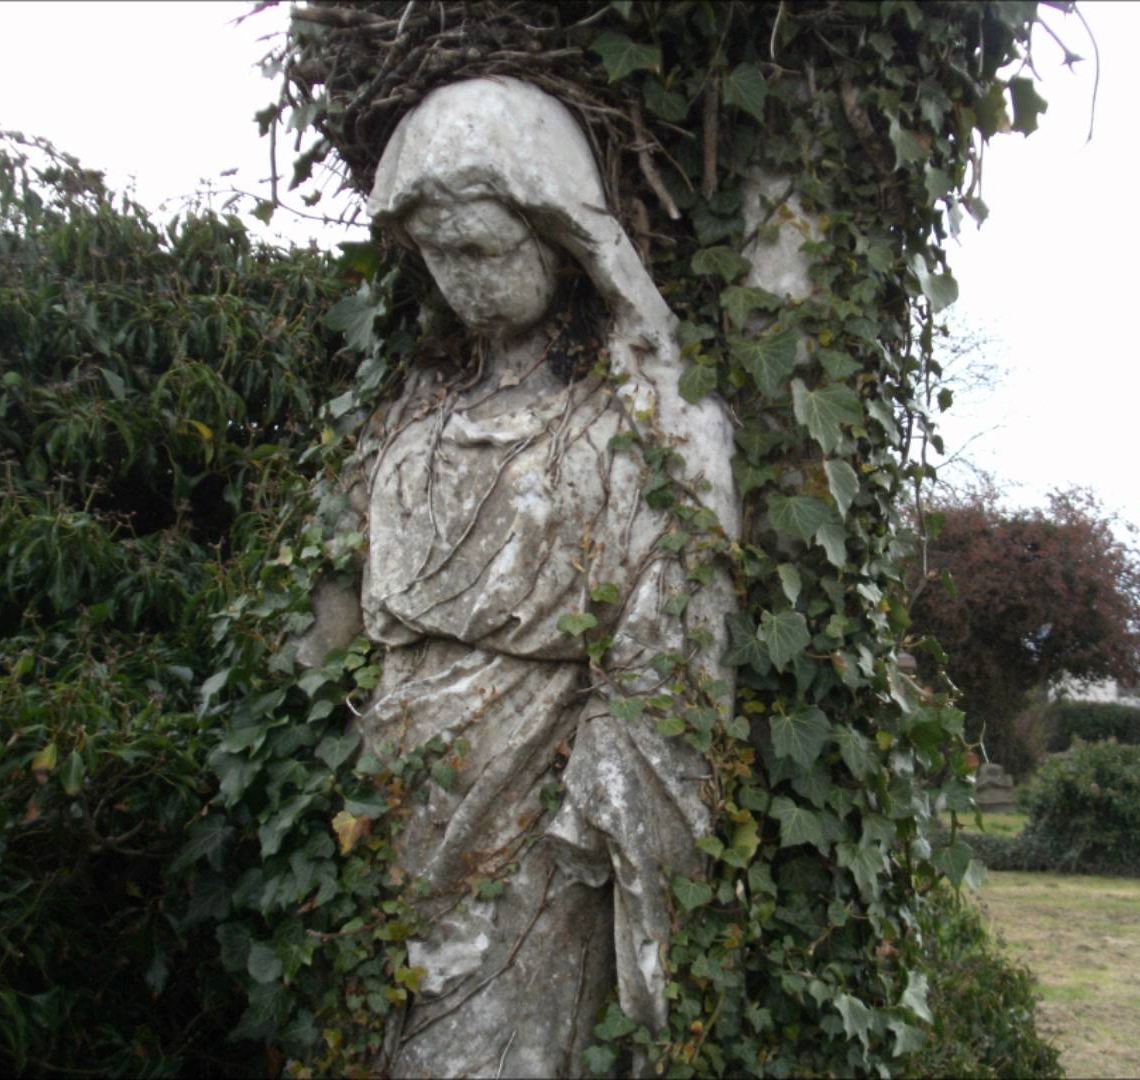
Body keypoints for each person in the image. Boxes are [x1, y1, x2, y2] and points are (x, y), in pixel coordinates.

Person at [313, 77, 738, 1077]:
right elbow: (345, 600)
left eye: (481, 249)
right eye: (437, 256)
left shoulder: (631, 424)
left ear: (554, 237)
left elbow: (672, 629)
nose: (459, 279)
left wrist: (607, 763)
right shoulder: (411, 410)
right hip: (400, 786)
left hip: (537, 813)